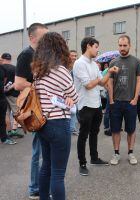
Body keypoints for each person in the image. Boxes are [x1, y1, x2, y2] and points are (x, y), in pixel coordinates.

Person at [32, 32, 79, 200]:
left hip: (42, 123)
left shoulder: (38, 71)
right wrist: (68, 98)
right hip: (58, 123)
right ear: (60, 48)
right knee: (58, 174)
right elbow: (74, 96)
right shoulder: (61, 70)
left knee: (46, 167)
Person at [73, 37, 119, 176]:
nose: (98, 50)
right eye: (96, 47)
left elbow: (101, 82)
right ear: (88, 46)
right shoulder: (79, 63)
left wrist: (110, 72)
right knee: (83, 135)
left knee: (94, 133)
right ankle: (82, 163)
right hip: (85, 104)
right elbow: (88, 85)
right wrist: (99, 79)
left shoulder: (94, 64)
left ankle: (94, 158)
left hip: (96, 104)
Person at [14, 23, 48, 200]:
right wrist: (40, 86)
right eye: (43, 37)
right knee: (39, 151)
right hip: (34, 110)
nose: (46, 41)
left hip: (43, 108)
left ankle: (39, 186)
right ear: (32, 37)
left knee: (44, 150)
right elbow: (18, 83)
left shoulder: (42, 55)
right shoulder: (26, 54)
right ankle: (35, 188)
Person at [108, 35, 140, 165]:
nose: (122, 48)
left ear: (129, 45)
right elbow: (110, 83)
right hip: (116, 102)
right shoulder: (113, 62)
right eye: (120, 45)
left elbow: (139, 81)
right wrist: (111, 100)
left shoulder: (136, 62)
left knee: (131, 129)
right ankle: (116, 153)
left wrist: (135, 99)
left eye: (125, 45)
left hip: (130, 102)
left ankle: (131, 153)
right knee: (115, 130)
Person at [0, 53, 23, 138]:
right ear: (10, 59)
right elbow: (17, 82)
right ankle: (14, 130)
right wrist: (9, 88)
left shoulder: (1, 68)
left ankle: (8, 131)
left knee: (6, 114)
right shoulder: (15, 68)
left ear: (2, 59)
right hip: (13, 94)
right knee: (16, 112)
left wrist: (4, 89)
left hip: (2, 95)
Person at [0, 62, 17, 145]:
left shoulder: (2, 68)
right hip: (5, 96)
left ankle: (4, 137)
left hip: (2, 98)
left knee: (3, 118)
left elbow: (5, 79)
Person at [69, 50, 79, 136]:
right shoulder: (65, 67)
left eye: (75, 56)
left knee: (75, 111)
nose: (74, 57)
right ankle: (72, 129)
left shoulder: (78, 66)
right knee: (73, 111)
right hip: (68, 93)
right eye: (72, 55)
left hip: (76, 92)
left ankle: (72, 128)